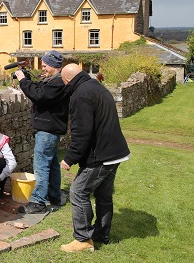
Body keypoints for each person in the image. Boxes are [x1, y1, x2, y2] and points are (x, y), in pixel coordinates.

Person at [59, 63, 131, 252]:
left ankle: (83, 240)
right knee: (103, 196)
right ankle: (101, 235)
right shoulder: (95, 86)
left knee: (77, 191)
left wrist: (69, 158)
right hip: (116, 152)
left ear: (67, 80)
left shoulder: (80, 95)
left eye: (63, 82)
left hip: (102, 155)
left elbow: (81, 132)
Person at [15, 50, 69, 214]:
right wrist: (29, 80)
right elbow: (40, 89)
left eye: (45, 65)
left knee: (41, 167)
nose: (43, 68)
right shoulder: (55, 80)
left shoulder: (58, 82)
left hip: (47, 131)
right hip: (50, 130)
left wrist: (23, 81)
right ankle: (54, 196)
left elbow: (38, 95)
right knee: (52, 165)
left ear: (53, 66)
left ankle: (38, 202)